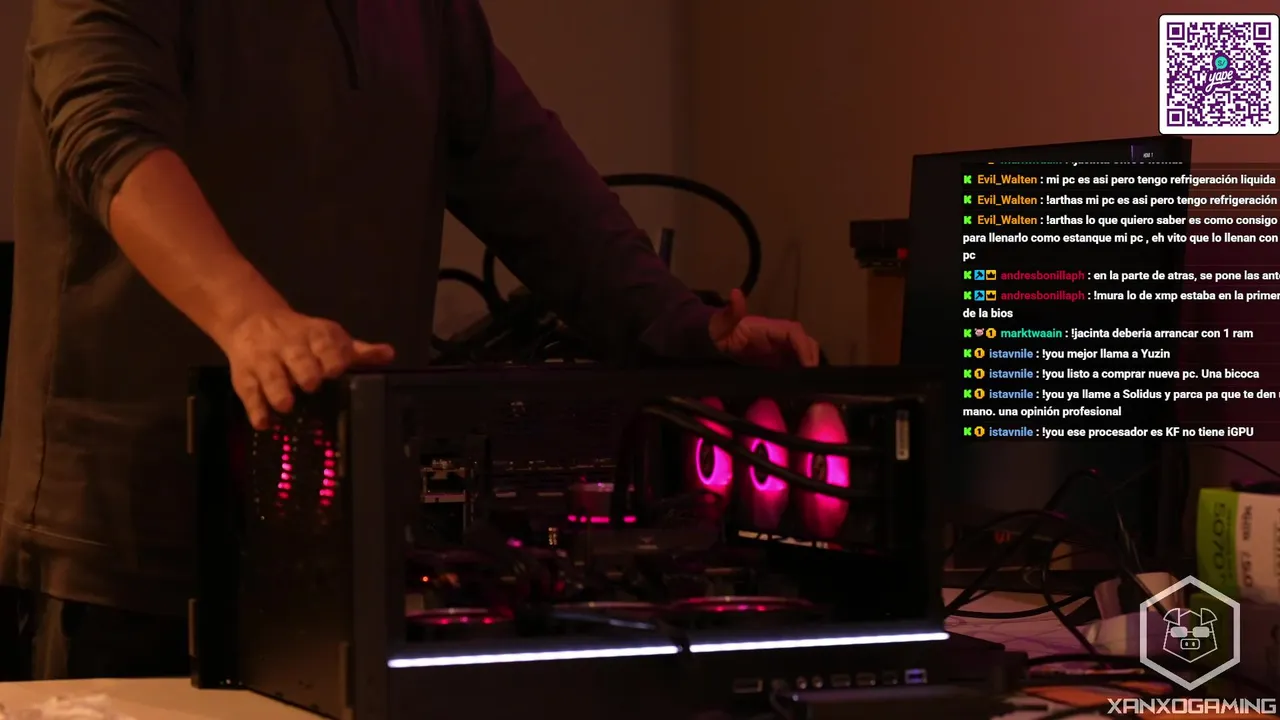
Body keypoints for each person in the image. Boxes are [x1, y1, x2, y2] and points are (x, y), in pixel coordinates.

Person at [0, 0, 820, 680]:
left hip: (346, 547)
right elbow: (106, 129)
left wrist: (682, 327)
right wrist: (249, 317)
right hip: (135, 557)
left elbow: (525, 171)